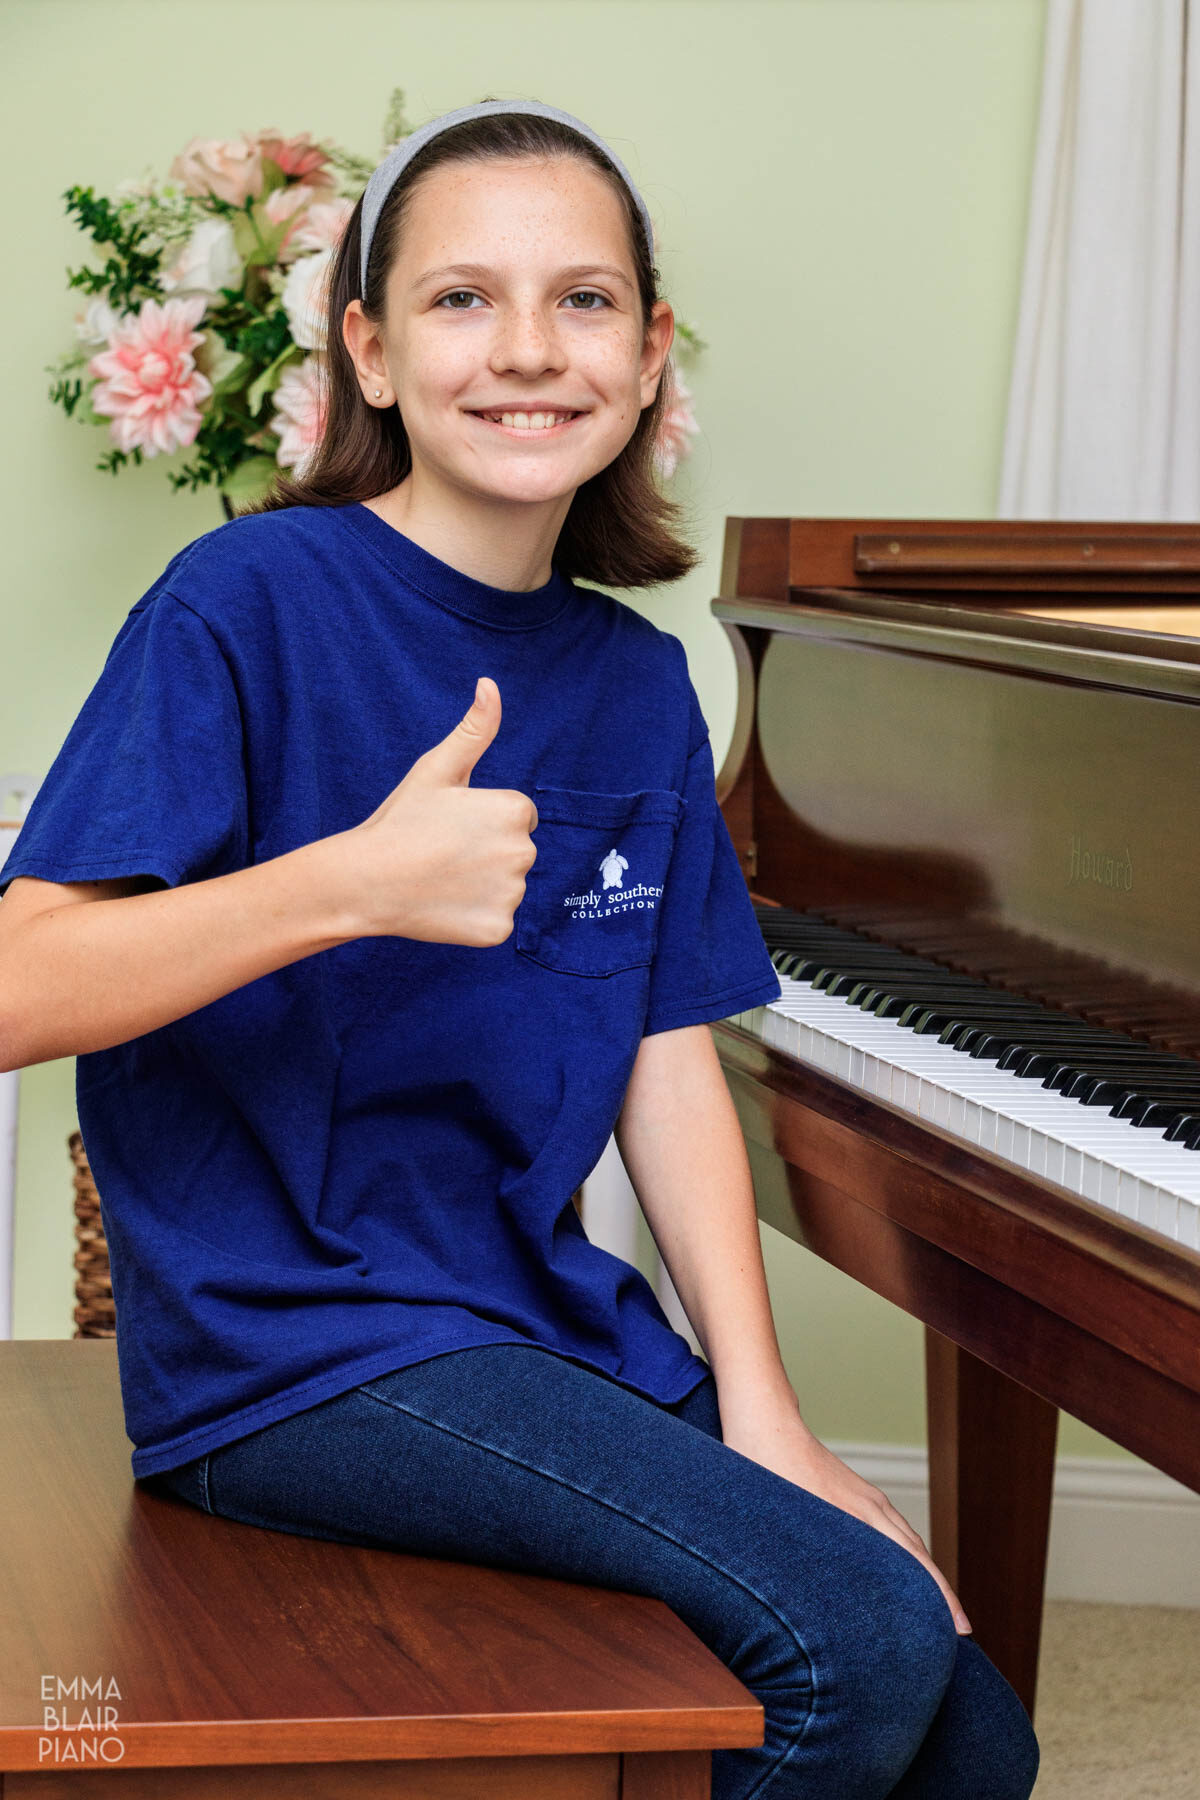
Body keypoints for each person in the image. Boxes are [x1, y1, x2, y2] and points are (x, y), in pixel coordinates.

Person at [0, 98, 1039, 1798]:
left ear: (645, 360)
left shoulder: (635, 677)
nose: (528, 351)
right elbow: (18, 983)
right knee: (854, 1652)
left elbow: (664, 1049)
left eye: (583, 301)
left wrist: (763, 1411)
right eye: (463, 300)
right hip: (293, 1356)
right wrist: (349, 882)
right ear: (373, 351)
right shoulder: (244, 601)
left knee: (969, 1735)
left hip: (533, 1332)